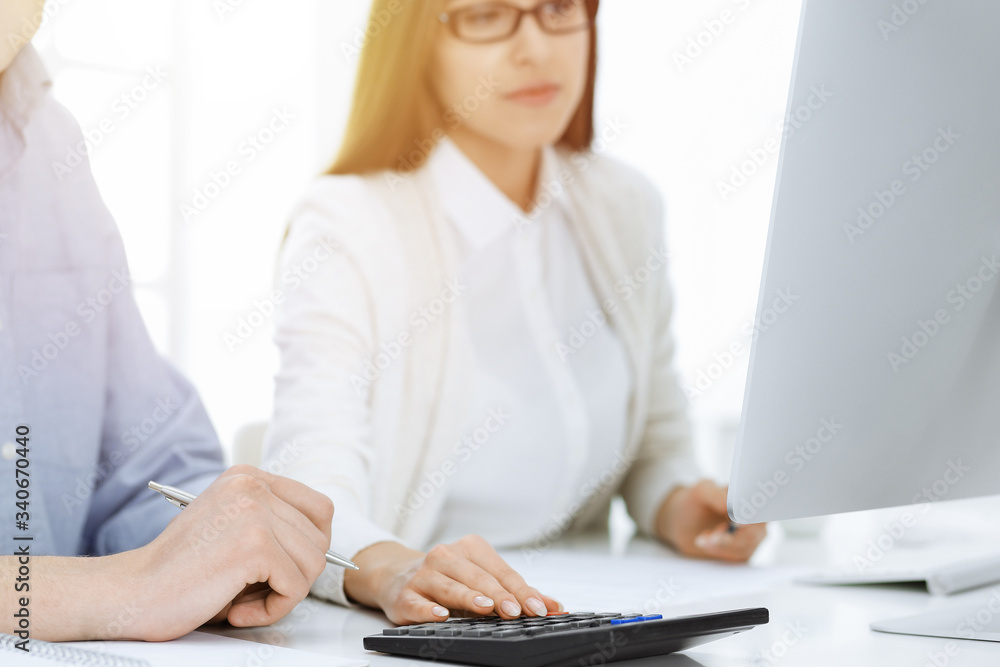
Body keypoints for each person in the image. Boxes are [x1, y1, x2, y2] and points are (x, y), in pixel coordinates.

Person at [263, 0, 766, 627]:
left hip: (589, 612)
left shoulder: (624, 205)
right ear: (417, 40)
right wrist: (392, 567)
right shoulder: (349, 224)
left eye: (557, 7)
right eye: (485, 15)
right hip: (438, 632)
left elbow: (655, 442)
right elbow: (309, 487)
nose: (535, 47)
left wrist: (675, 502)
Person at [0, 2, 333, 643]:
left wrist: (233, 546)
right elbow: (136, 582)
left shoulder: (47, 140)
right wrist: (119, 590)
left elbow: (145, 462)